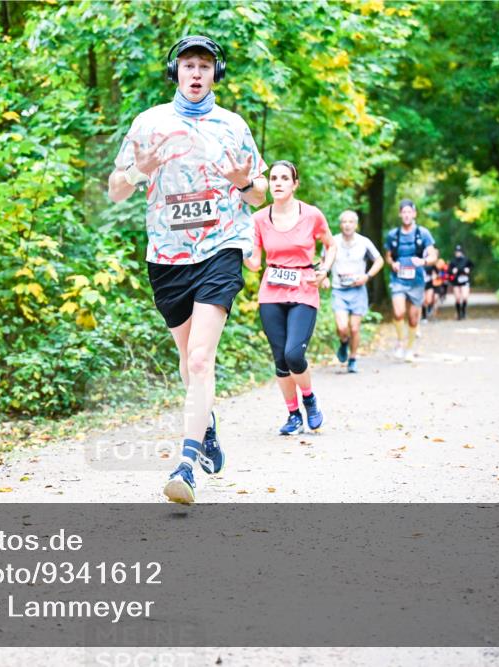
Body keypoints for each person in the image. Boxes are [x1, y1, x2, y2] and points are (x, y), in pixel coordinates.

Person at [108, 35, 267, 504]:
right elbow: (116, 190)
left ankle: (187, 464)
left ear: (215, 73)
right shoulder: (149, 123)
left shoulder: (233, 125)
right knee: (187, 361)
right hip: (168, 256)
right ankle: (208, 420)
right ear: (175, 72)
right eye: (187, 65)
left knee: (201, 359)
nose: (195, 73)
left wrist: (244, 183)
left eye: (204, 65)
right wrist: (138, 172)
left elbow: (258, 192)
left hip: (221, 247)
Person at [245, 161, 336, 435]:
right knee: (281, 361)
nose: (278, 182)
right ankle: (293, 415)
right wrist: (237, 249)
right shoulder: (258, 219)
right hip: (271, 290)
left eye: (285, 178)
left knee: (294, 354)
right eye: (273, 178)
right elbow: (255, 263)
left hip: (304, 287)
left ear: (295, 184)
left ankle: (309, 399)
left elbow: (330, 246)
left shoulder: (312, 215)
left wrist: (324, 271)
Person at [321, 210, 384, 374]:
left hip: (358, 290)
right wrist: (324, 277)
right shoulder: (332, 242)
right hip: (339, 290)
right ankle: (343, 342)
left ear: (356, 225)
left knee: (355, 328)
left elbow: (379, 260)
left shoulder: (364, 242)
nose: (347, 225)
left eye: (351, 222)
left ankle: (353, 359)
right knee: (342, 327)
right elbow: (323, 261)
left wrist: (367, 276)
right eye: (344, 222)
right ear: (340, 224)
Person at [385, 200, 437, 362]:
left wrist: (423, 262)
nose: (407, 215)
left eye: (410, 212)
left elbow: (433, 255)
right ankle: (400, 342)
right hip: (398, 279)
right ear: (400, 214)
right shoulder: (393, 235)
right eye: (404, 212)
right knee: (399, 312)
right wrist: (393, 264)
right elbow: (388, 255)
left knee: (414, 318)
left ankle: (409, 348)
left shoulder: (423, 233)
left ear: (414, 214)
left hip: (417, 280)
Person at [449, 244, 475, 320]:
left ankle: (463, 312)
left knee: (465, 297)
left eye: (459, 251)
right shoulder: (453, 261)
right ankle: (459, 313)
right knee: (457, 298)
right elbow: (448, 271)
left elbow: (472, 266)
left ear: (462, 252)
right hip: (456, 282)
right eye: (457, 252)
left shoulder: (466, 259)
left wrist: (468, 269)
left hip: (465, 280)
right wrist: (452, 271)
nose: (458, 253)